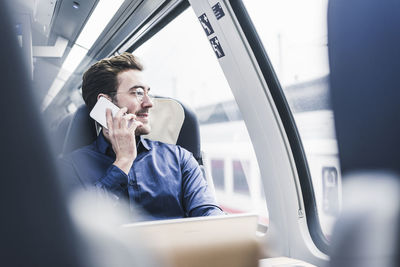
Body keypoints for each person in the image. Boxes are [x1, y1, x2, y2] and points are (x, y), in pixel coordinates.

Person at [59, 52, 223, 220]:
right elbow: (76, 226)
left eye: (148, 93)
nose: (149, 103)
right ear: (105, 104)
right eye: (137, 93)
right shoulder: (69, 167)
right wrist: (123, 161)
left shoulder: (180, 159)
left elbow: (211, 217)